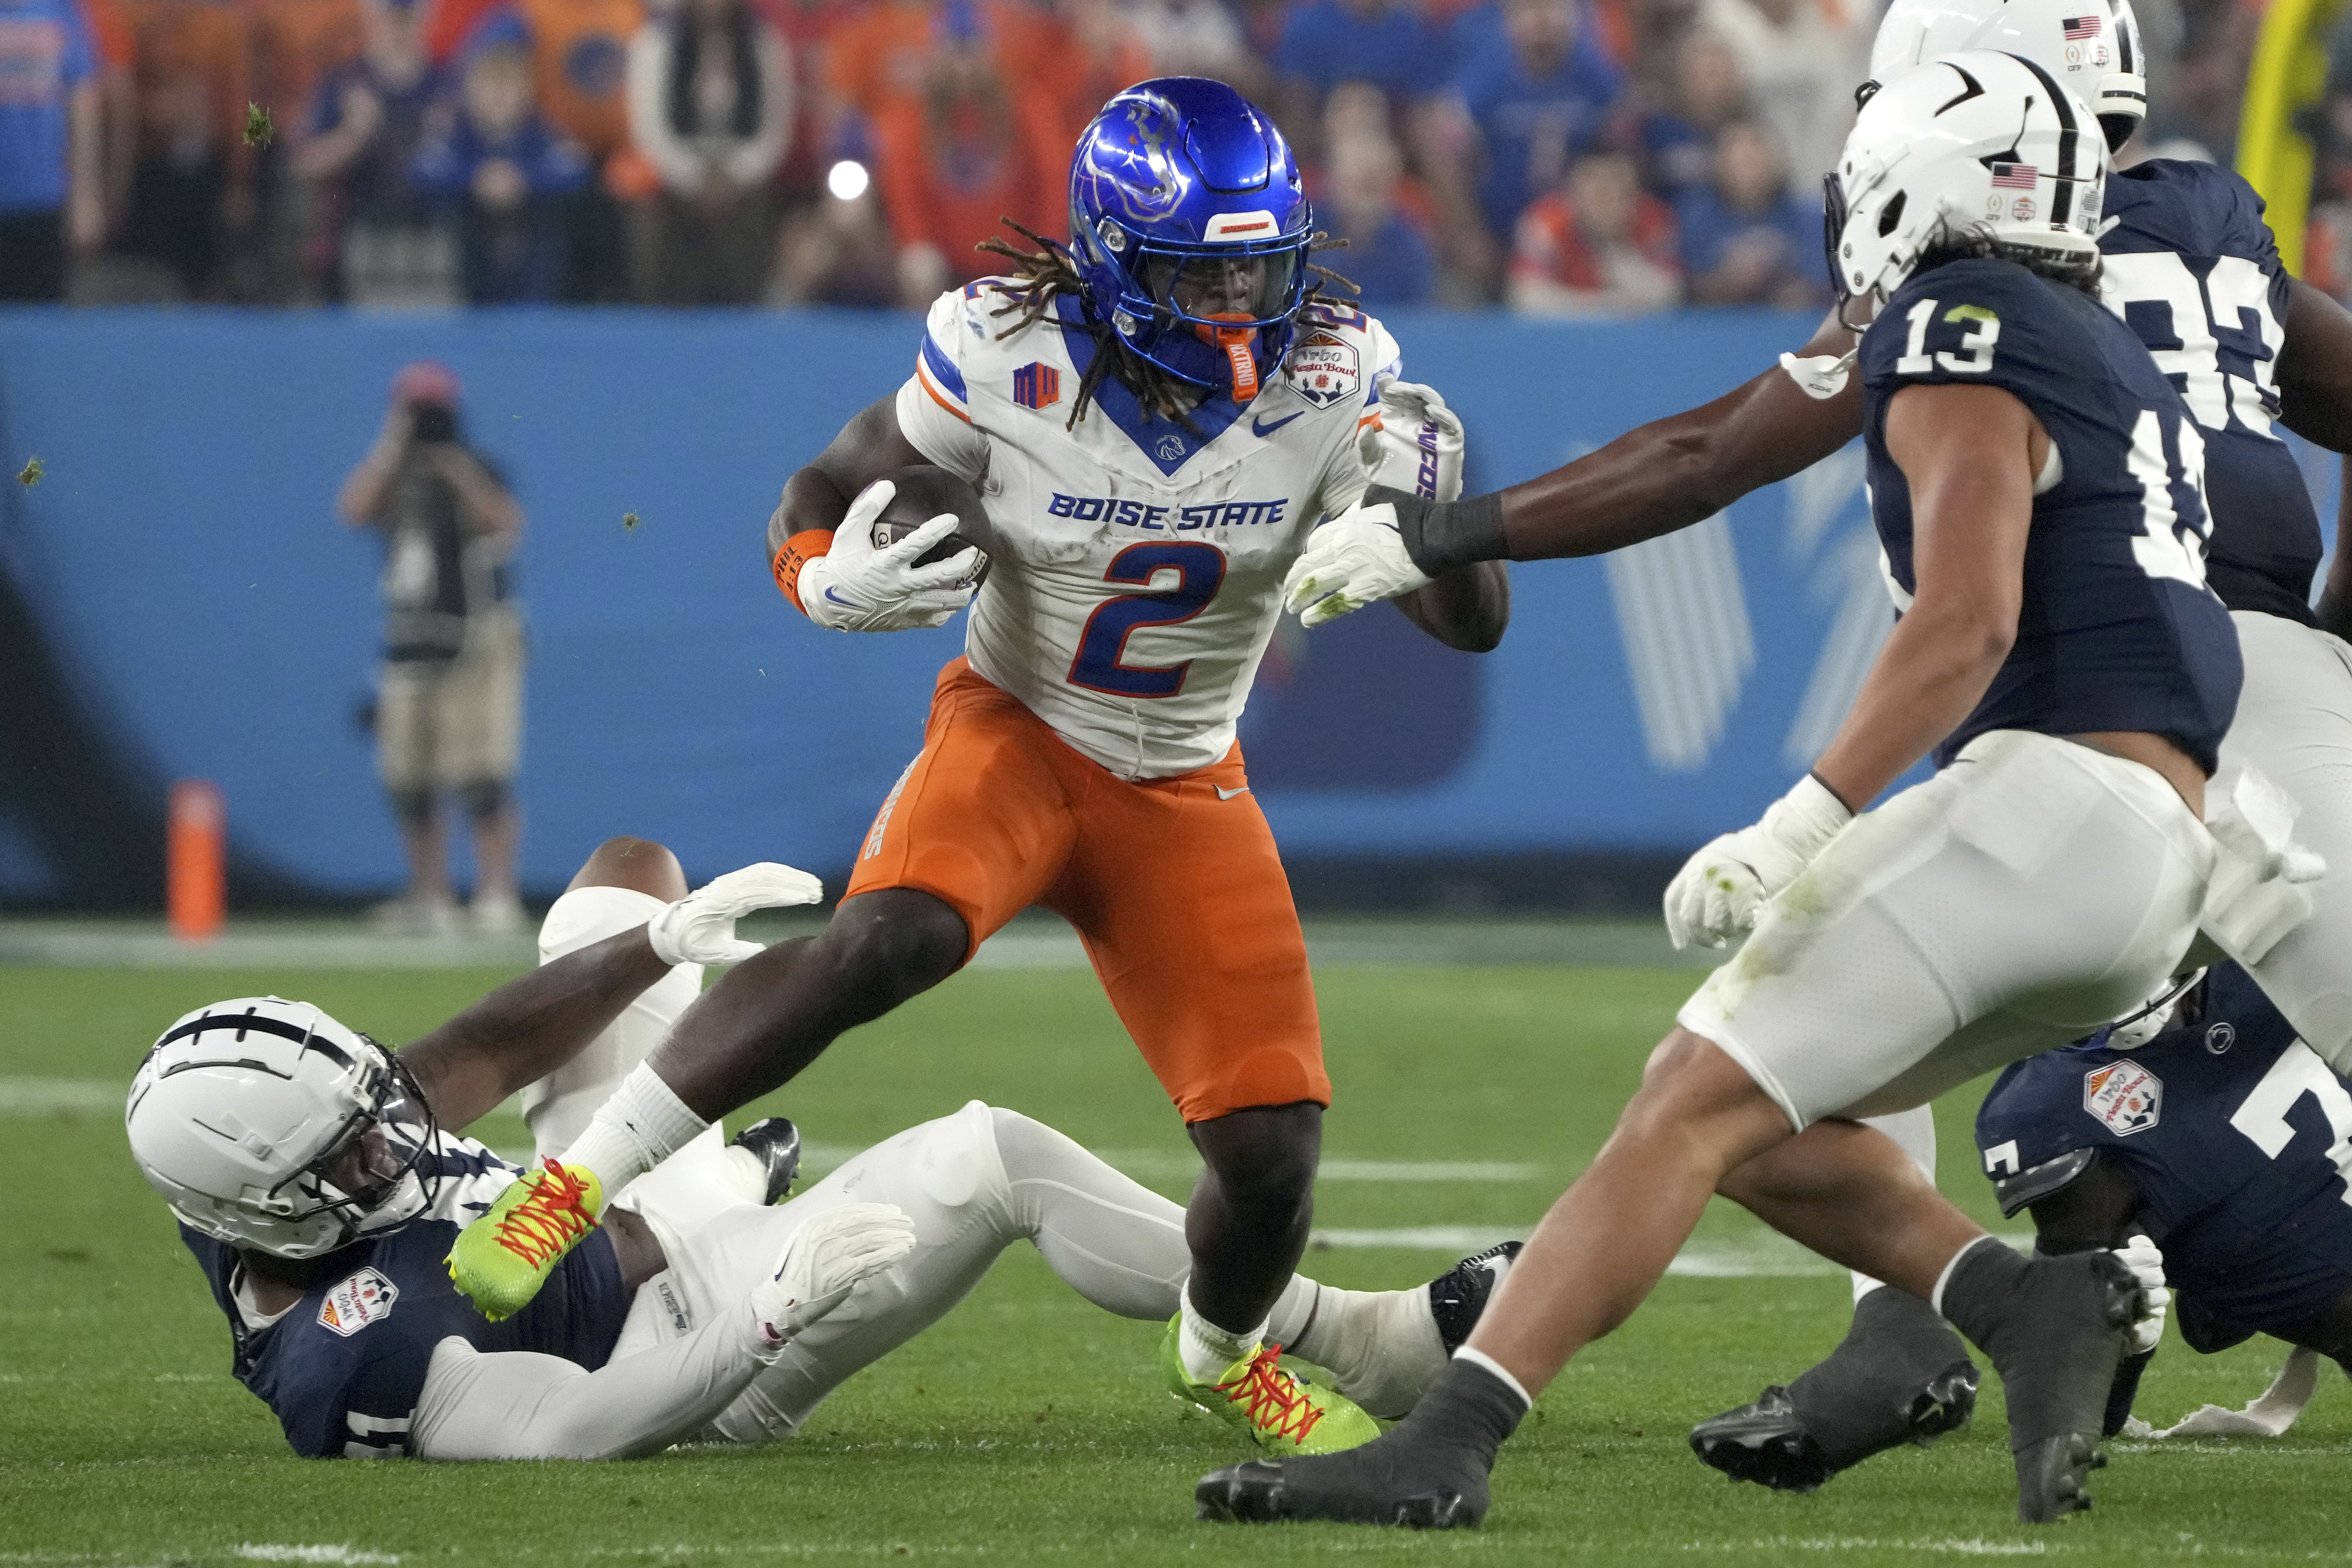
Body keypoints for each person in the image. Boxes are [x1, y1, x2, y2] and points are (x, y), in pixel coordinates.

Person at [1201, 48, 2279, 1528]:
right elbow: (1705, 454)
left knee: (1680, 1102)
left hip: (2048, 799)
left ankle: (1443, 1440)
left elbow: (1960, 616)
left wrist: (1806, 813)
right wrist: (1446, 537)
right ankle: (2023, 1310)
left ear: (1909, 181)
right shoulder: (2078, 333)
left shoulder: (1957, 323)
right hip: (2149, 856)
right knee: (1754, 1127)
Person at [443, 77, 1511, 1462]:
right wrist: (822, 581)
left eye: (1262, 264)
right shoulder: (1008, 348)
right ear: (1121, 265)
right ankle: (573, 1187)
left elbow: (1469, 626)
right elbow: (820, 488)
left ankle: (1218, 1353)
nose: (1243, 304)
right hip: (1019, 731)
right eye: (1207, 273)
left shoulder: (1334, 374)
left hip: (1186, 780)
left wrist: (1438, 516)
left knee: (1271, 1156)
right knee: (884, 938)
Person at [125, 834, 1519, 1459]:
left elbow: (458, 1067)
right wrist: (772, 1313)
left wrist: (653, 949)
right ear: (275, 1214)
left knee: (619, 881)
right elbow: (578, 1429)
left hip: (589, 1222)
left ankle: (724, 1171)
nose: (397, 1142)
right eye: (359, 1160)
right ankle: (1354, 1337)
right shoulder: (349, 1355)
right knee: (991, 1153)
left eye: (373, 1118)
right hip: (676, 1351)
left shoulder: (258, 1171)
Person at [336, 360, 528, 936]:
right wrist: (391, 446)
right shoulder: (392, 474)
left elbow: (505, 525)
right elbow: (353, 511)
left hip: (473, 640)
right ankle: (431, 892)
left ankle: (496, 891)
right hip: (409, 642)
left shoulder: (475, 467)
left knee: (481, 773)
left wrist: (455, 469)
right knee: (408, 777)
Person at [408, 7, 589, 302]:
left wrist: (524, 180)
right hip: (471, 241)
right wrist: (476, 178)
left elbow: (574, 170)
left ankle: (534, 304)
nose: (499, 95)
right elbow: (424, 169)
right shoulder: (458, 130)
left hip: (529, 232)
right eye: (490, 83)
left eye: (509, 83)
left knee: (548, 219)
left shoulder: (538, 129)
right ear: (471, 86)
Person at [623, 0, 790, 303]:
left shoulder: (763, 43)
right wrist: (691, 178)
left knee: (755, 212)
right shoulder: (656, 41)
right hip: (677, 169)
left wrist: (736, 175)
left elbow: (774, 128)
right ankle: (661, 312)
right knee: (648, 210)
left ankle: (745, 311)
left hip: (740, 170)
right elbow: (649, 129)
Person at [0, 0, 106, 299]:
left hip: (43, 198)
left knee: (39, 318)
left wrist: (85, 194)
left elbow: (83, 104)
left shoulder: (61, 10)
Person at [1507, 149, 1677, 317]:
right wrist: (1602, 306)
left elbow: (1668, 296)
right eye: (1594, 186)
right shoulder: (1546, 222)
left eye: (1615, 185)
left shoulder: (1654, 220)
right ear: (1572, 191)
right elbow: (1526, 298)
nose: (1604, 196)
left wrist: (1614, 247)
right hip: (1564, 333)